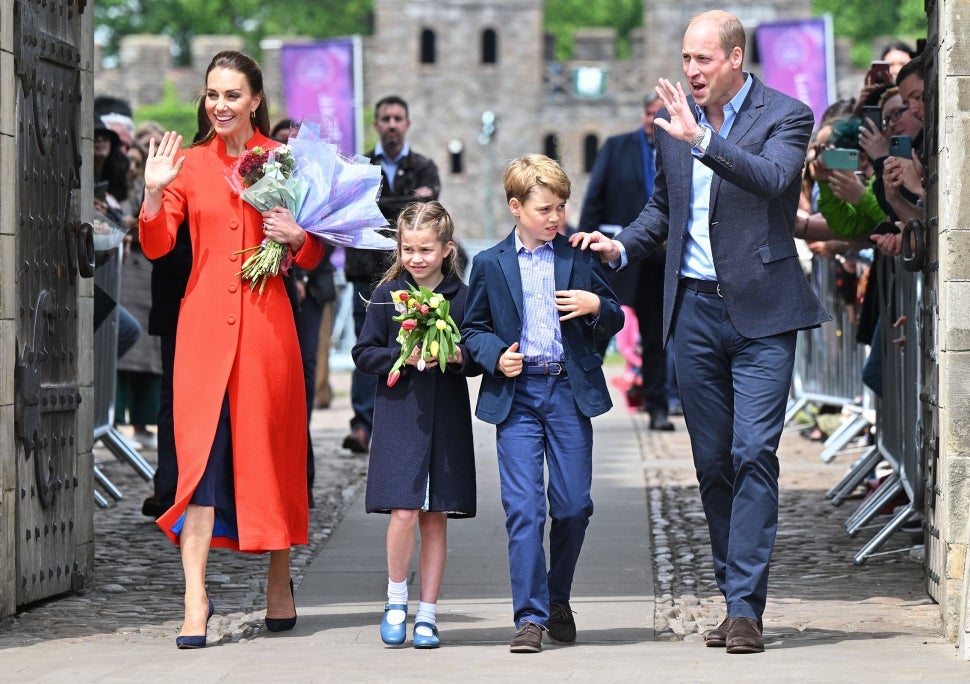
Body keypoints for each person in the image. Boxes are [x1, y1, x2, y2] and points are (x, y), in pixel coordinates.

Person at [571, 11, 829, 654]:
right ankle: (729, 594)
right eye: (686, 59)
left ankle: (746, 608)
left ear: (736, 58)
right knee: (712, 463)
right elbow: (666, 207)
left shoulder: (787, 114)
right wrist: (622, 245)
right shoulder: (674, 121)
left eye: (703, 60)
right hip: (692, 313)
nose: (691, 71)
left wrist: (704, 141)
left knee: (753, 454)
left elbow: (773, 181)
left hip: (765, 313)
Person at [139, 50, 325, 649]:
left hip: (267, 333)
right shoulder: (188, 166)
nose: (218, 105)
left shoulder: (285, 160)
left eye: (231, 95)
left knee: (267, 455)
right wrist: (150, 194)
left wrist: (299, 238)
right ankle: (195, 599)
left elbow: (319, 248)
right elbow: (158, 244)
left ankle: (279, 577)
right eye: (211, 94)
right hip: (200, 337)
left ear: (254, 101)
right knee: (196, 466)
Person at [462, 154, 624, 653]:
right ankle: (529, 616)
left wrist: (598, 307)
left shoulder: (577, 257)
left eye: (561, 207)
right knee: (524, 510)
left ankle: (558, 596)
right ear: (516, 207)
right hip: (518, 397)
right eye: (545, 209)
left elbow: (614, 316)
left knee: (574, 505)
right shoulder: (489, 263)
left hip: (568, 393)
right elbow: (472, 330)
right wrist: (496, 357)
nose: (556, 218)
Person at [352, 201, 479, 649]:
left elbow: (475, 353)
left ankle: (428, 613)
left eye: (426, 249)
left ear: (446, 249)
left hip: (445, 420)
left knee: (435, 517)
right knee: (403, 512)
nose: (416, 258)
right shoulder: (388, 296)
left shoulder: (462, 297)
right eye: (408, 249)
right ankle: (395, 598)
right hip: (400, 417)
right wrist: (400, 357)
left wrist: (458, 354)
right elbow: (363, 353)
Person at [342, 95, 441, 454]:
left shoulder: (424, 165)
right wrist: (406, 201)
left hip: (414, 276)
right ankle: (363, 424)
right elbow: (357, 212)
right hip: (366, 273)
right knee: (368, 345)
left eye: (398, 118)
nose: (392, 124)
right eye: (385, 118)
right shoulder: (361, 166)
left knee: (411, 342)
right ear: (377, 124)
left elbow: (427, 211)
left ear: (407, 123)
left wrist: (382, 204)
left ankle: (400, 420)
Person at [579, 93, 675, 430]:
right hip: (614, 254)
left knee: (655, 336)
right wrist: (586, 252)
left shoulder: (679, 149)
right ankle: (581, 396)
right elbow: (594, 199)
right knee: (599, 327)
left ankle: (657, 405)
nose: (653, 121)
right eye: (649, 114)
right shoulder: (617, 147)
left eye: (659, 115)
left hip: (659, 258)